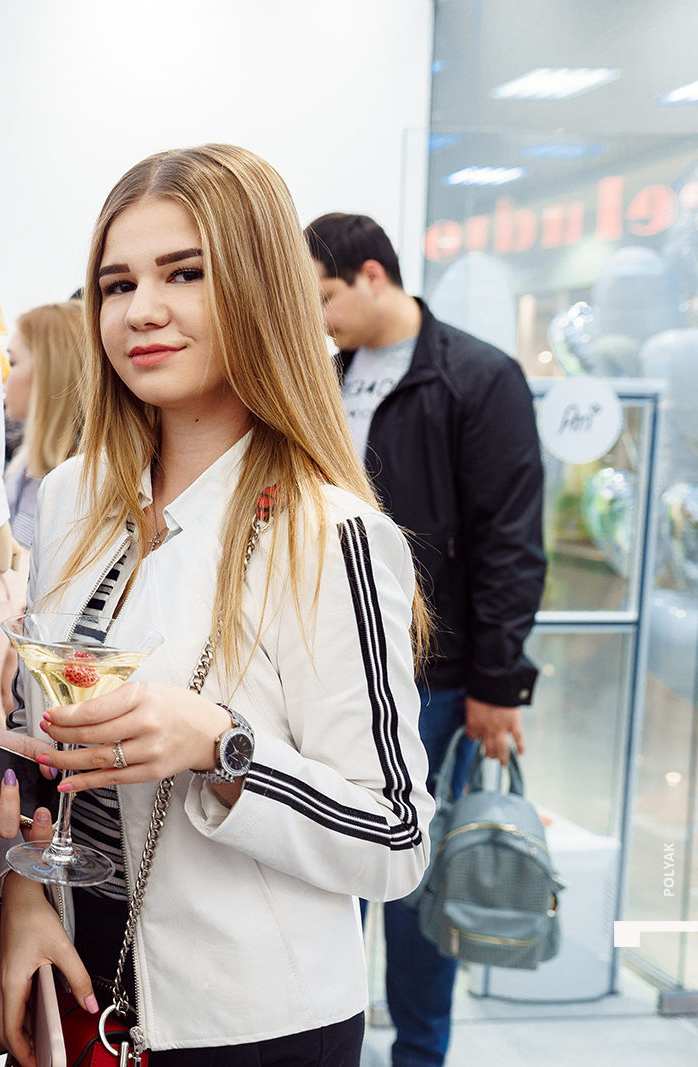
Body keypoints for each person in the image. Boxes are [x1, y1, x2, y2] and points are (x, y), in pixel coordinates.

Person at [0, 145, 434, 1066]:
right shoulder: (73, 496)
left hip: (251, 1027)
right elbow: (49, 749)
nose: (141, 310)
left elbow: (397, 835)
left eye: (185, 274)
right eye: (117, 284)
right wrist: (26, 897)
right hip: (83, 991)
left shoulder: (329, 533)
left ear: (260, 291)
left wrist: (225, 746)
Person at [306, 212, 546, 1067]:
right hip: (334, 666)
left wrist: (498, 683)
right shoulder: (326, 376)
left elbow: (510, 541)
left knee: (415, 884)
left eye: (325, 296)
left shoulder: (477, 377)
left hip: (436, 676)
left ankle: (418, 1054)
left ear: (373, 276)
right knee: (332, 869)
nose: (317, 317)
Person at [0, 300, 85, 720]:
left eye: (13, 362)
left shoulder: (78, 484)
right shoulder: (25, 463)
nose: (3, 377)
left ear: (49, 372)